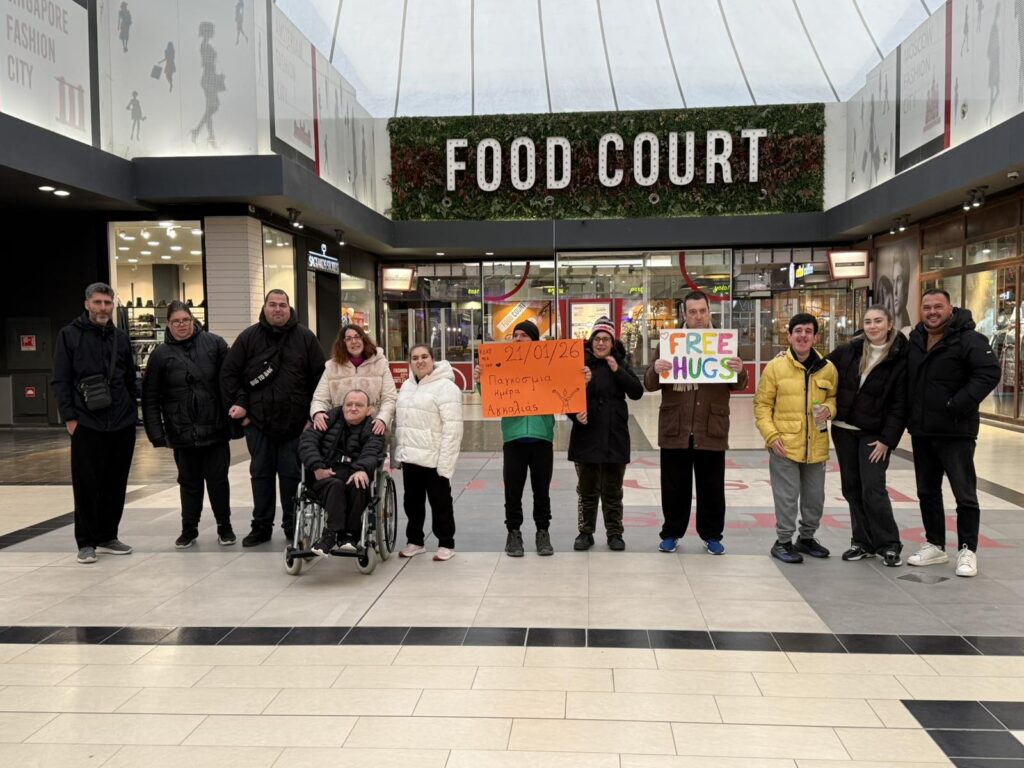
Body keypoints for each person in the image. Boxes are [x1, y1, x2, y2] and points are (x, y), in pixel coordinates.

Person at [905, 289, 1000, 577]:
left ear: (950, 308)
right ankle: (935, 545)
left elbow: (989, 373)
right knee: (927, 491)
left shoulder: (968, 339)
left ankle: (967, 549)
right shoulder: (916, 339)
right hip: (923, 430)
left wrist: (956, 404)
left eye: (938, 306)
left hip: (956, 431)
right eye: (927, 307)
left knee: (964, 493)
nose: (932, 312)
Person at [220, 289, 325, 546]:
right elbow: (229, 375)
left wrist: (311, 417)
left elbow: (320, 380)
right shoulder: (248, 338)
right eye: (273, 304)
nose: (278, 309)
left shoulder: (306, 338)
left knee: (291, 476)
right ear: (265, 307)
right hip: (258, 424)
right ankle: (261, 527)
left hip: (296, 426)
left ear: (289, 308)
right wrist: (242, 411)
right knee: (261, 475)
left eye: (282, 305)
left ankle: (292, 525)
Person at [645, 292, 747, 555]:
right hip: (676, 427)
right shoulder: (669, 343)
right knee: (674, 486)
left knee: (712, 486)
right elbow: (650, 384)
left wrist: (740, 370)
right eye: (692, 312)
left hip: (711, 426)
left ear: (709, 311)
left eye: (702, 311)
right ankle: (671, 532)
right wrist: (655, 369)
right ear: (684, 314)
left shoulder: (724, 343)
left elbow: (738, 384)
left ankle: (712, 535)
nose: (698, 316)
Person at [53, 283, 137, 564]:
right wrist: (70, 417)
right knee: (86, 484)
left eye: (107, 303)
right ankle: (86, 541)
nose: (103, 308)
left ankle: (108, 535)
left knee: (116, 482)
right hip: (86, 422)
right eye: (98, 302)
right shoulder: (69, 335)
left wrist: (131, 414)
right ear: (87, 304)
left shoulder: (120, 338)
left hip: (121, 423)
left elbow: (129, 377)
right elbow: (61, 379)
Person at [142, 301, 234, 549]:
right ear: (168, 325)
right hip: (181, 430)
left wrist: (237, 414)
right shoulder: (160, 355)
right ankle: (189, 528)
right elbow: (150, 396)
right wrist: (156, 433)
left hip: (214, 428)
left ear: (193, 320)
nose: (181, 325)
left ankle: (224, 526)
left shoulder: (215, 344)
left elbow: (231, 381)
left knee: (218, 481)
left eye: (185, 320)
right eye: (176, 321)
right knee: (189, 484)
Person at [826, 305, 908, 567]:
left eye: (878, 321)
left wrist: (887, 440)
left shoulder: (899, 356)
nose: (873, 326)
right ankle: (862, 542)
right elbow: (821, 366)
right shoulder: (850, 349)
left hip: (874, 435)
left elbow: (900, 405)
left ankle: (889, 543)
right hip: (843, 430)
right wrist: (787, 357)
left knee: (873, 488)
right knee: (851, 488)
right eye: (868, 321)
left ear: (889, 324)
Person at [754, 313, 838, 564]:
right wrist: (771, 436)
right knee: (787, 497)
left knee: (815, 497)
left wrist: (829, 409)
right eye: (798, 331)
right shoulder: (775, 367)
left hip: (816, 444)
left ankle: (807, 538)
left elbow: (833, 398)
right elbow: (762, 405)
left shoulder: (828, 368)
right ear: (789, 336)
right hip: (784, 444)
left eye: (808, 331)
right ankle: (783, 541)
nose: (803, 336)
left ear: (815, 337)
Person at [474, 320, 555, 557]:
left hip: (542, 437)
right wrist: (481, 380)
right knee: (513, 491)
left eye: (524, 335)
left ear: (534, 340)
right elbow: (492, 395)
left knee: (542, 491)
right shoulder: (503, 363)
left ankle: (543, 532)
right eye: (515, 335)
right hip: (513, 437)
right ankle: (513, 533)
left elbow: (565, 388)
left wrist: (580, 378)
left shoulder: (548, 365)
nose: (518, 339)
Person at [569, 316, 644, 552]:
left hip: (615, 437)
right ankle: (585, 532)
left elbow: (637, 392)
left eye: (605, 339)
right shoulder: (579, 364)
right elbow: (565, 396)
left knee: (613, 491)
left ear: (613, 343)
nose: (601, 343)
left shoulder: (621, 363)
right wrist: (575, 414)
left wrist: (617, 370)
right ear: (591, 341)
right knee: (587, 490)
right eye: (597, 339)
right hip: (586, 436)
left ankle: (615, 533)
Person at [394, 345, 463, 561]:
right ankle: (415, 541)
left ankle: (446, 542)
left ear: (433, 359)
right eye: (415, 358)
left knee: (440, 502)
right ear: (410, 362)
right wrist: (399, 452)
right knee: (412, 503)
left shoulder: (446, 387)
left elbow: (453, 427)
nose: (420, 361)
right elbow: (402, 422)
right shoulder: (407, 386)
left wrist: (446, 462)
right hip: (411, 456)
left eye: (424, 357)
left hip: (434, 458)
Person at [299, 390, 385, 556]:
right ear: (342, 406)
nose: (353, 408)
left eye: (359, 405)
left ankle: (349, 535)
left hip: (354, 474)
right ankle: (331, 535)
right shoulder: (326, 420)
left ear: (368, 410)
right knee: (335, 484)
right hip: (325, 474)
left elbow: (372, 451)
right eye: (349, 404)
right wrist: (317, 467)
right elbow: (307, 443)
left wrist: (361, 469)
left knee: (358, 484)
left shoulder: (373, 428)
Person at [310, 325, 397, 439]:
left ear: (363, 339)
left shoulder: (380, 364)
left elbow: (389, 398)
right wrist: (318, 413)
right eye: (348, 338)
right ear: (343, 343)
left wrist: (382, 419)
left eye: (357, 336)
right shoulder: (332, 367)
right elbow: (320, 399)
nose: (354, 341)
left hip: (373, 429)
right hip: (340, 431)